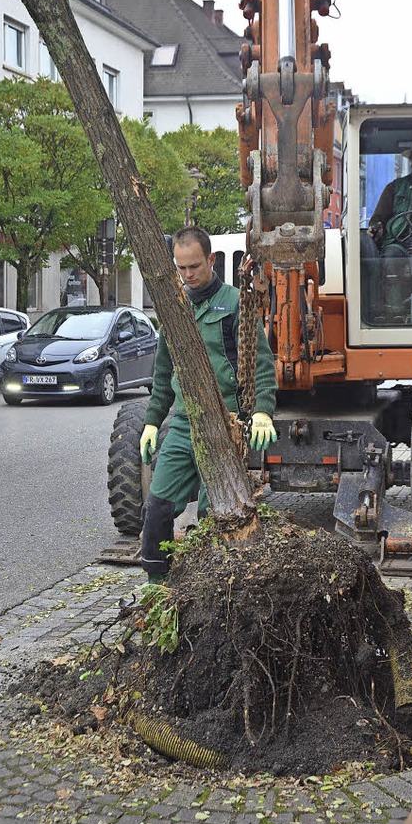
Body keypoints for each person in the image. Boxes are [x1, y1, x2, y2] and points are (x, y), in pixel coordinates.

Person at [139, 226, 278, 582]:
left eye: (195, 266)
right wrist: (153, 421)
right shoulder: (174, 309)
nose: (188, 275)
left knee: (212, 511)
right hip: (185, 424)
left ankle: (212, 584)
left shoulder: (234, 303)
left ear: (211, 260)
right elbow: (162, 373)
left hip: (224, 424)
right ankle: (157, 585)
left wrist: (262, 410)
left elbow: (259, 362)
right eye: (181, 268)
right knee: (156, 508)